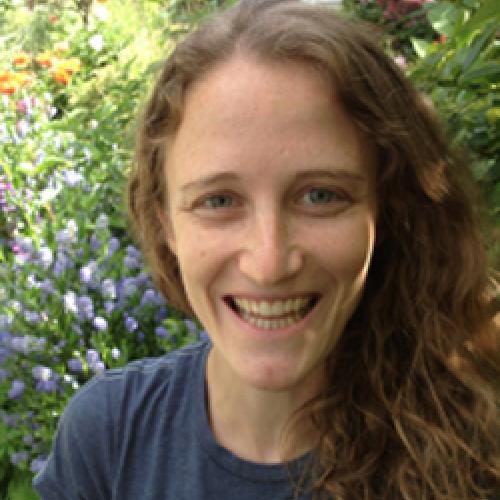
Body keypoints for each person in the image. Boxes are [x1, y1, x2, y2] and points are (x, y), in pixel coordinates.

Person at [33, 0, 499, 498]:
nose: (270, 263)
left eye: (321, 195)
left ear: (386, 211)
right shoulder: (110, 437)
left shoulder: (481, 446)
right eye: (218, 201)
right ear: (165, 222)